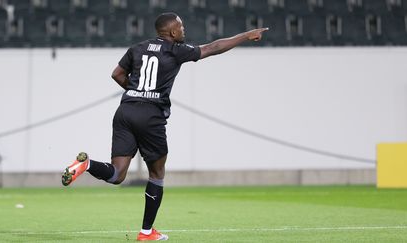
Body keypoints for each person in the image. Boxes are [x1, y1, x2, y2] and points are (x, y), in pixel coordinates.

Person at [61, 12, 268, 241]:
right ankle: (146, 232)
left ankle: (86, 164)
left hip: (125, 111)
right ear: (171, 32)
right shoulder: (176, 49)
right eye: (181, 27)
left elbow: (117, 74)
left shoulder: (137, 48)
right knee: (157, 174)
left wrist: (137, 91)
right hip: (150, 116)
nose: (183, 30)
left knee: (117, 174)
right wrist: (246, 35)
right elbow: (213, 47)